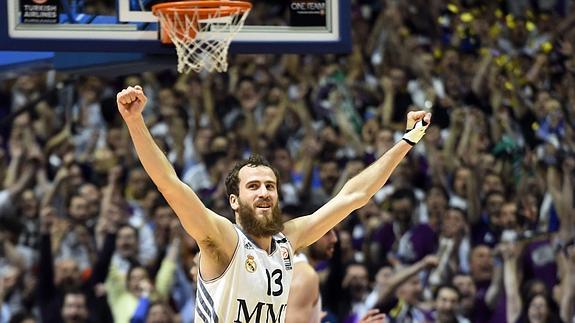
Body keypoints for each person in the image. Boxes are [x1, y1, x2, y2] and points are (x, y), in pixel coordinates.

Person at [116, 85, 431, 322]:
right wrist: (135, 123)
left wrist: (408, 141)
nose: (264, 192)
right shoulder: (222, 238)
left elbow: (354, 196)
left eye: (270, 185)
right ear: (235, 201)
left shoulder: (288, 240)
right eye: (253, 186)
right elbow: (169, 185)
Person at [285, 229, 338, 322]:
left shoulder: (292, 265)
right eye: (327, 232)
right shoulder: (305, 274)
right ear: (308, 234)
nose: (334, 239)